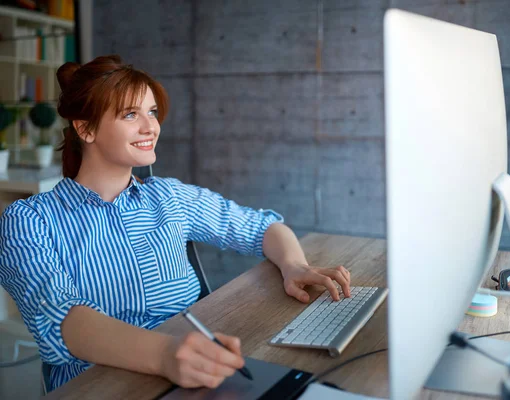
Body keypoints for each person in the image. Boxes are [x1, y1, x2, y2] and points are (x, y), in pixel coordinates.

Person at [0, 55, 351, 392]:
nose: (150, 126)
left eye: (151, 112)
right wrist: (166, 354)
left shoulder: (170, 197)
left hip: (198, 372)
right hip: (101, 386)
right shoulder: (29, 221)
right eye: (130, 114)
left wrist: (293, 265)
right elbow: (65, 323)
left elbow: (263, 228)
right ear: (85, 128)